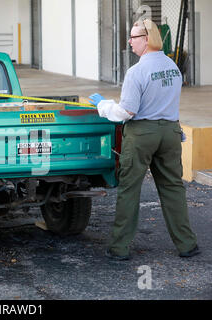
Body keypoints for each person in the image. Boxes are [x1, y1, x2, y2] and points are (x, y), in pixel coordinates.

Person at [89, 19, 199, 260]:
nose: (130, 42)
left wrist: (103, 105)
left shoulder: (136, 71)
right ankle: (187, 244)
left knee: (129, 190)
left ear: (147, 39)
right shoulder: (172, 66)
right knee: (173, 188)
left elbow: (126, 112)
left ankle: (119, 248)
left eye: (134, 37)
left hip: (142, 134)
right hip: (170, 132)